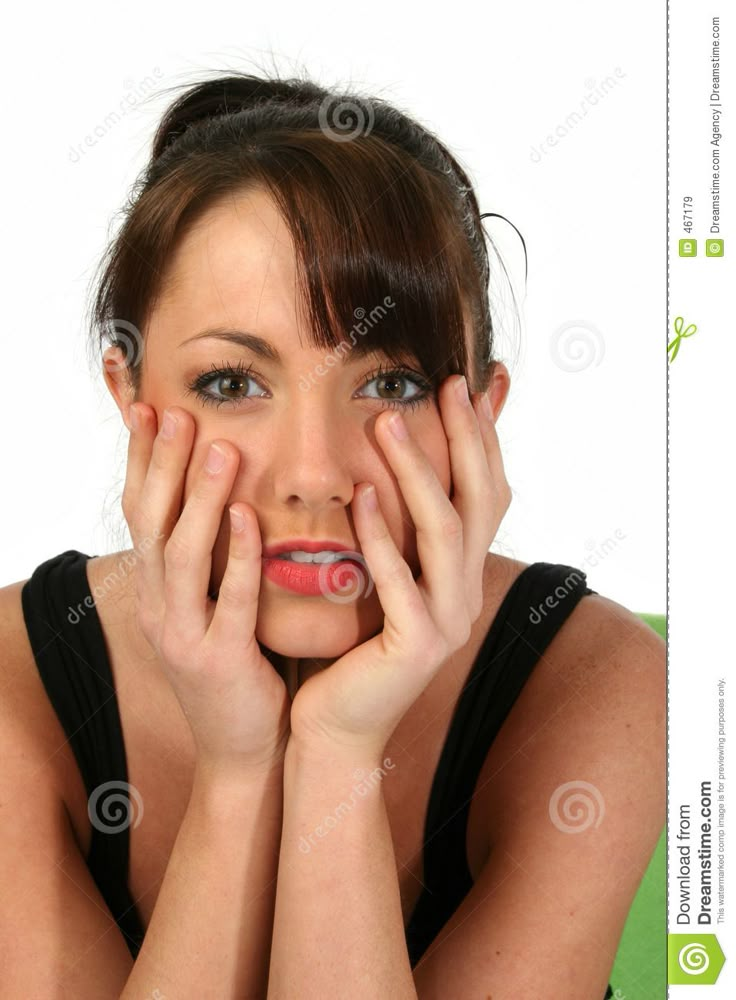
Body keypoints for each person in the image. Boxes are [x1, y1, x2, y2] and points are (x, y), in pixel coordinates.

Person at [0, 68, 664, 1000]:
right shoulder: (15, 686)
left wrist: (337, 749)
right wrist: (238, 772)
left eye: (388, 383)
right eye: (233, 382)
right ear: (130, 396)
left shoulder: (597, 686)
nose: (314, 473)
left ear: (478, 415)